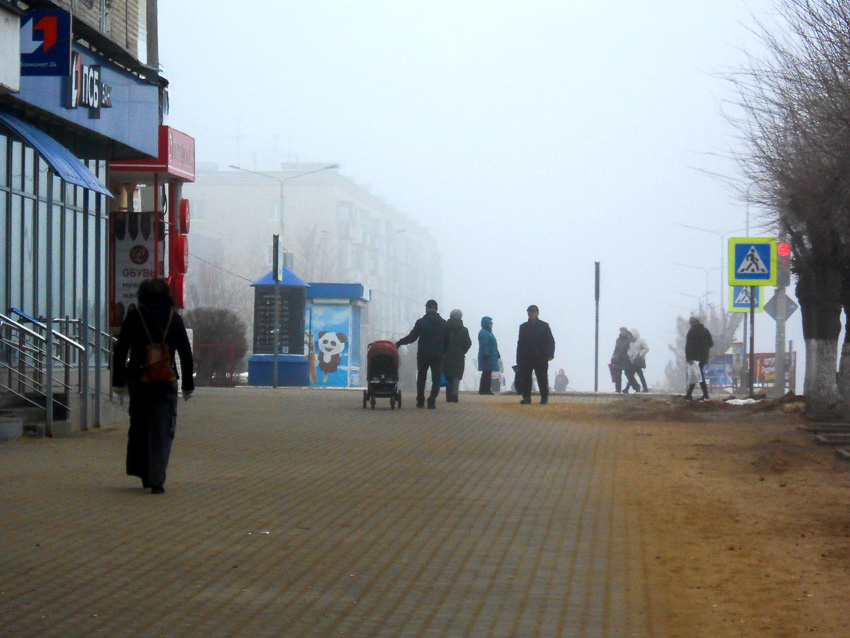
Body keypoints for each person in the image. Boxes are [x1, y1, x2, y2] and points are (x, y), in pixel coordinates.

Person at [112, 278, 194, 494]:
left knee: (139, 426)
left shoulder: (134, 318)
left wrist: (118, 381)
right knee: (162, 429)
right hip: (166, 381)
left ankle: (143, 473)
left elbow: (120, 350)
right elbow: (186, 353)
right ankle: (157, 480)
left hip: (138, 380)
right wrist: (187, 385)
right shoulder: (173, 319)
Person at [396, 299, 449, 408]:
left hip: (423, 355)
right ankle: (431, 401)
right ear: (436, 309)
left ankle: (420, 401)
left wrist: (399, 343)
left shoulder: (421, 322)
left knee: (421, 378)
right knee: (436, 379)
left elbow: (412, 337)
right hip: (437, 356)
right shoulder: (444, 324)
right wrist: (444, 353)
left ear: (427, 308)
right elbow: (447, 341)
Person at [516, 304, 556, 405]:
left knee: (542, 378)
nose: (531, 314)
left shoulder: (544, 326)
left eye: (533, 312)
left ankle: (544, 397)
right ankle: (527, 398)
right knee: (526, 379)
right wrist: (518, 359)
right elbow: (520, 343)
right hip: (526, 357)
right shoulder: (523, 327)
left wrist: (550, 354)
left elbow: (550, 341)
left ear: (537, 313)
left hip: (541, 357)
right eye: (529, 312)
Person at [444, 309, 472, 402]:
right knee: (456, 376)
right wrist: (462, 351)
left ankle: (448, 396)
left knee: (448, 375)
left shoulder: (445, 328)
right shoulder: (464, 330)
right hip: (458, 357)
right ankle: (454, 395)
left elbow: (440, 341)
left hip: (446, 356)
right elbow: (468, 343)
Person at [685, 316, 714, 401]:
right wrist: (704, 348)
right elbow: (711, 344)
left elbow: (689, 347)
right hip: (703, 357)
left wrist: (688, 358)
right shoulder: (705, 330)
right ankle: (689, 394)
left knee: (698, 375)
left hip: (694, 357)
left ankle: (705, 395)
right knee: (697, 375)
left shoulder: (691, 332)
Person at [477, 316, 500, 395]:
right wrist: (486, 354)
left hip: (490, 356)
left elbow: (493, 345)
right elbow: (484, 345)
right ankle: (484, 390)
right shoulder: (484, 333)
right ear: (486, 323)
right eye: (490, 323)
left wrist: (497, 354)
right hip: (487, 357)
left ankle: (485, 389)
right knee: (486, 374)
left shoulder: (488, 332)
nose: (491, 324)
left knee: (487, 373)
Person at [624, 328, 650, 393]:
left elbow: (646, 348)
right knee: (635, 375)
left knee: (634, 375)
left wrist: (640, 354)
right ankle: (645, 388)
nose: (629, 336)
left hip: (638, 361)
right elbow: (629, 351)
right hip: (633, 361)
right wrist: (629, 355)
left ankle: (627, 388)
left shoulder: (640, 341)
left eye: (630, 334)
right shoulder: (630, 343)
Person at [610, 327, 631, 393]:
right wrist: (613, 358)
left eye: (623, 331)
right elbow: (616, 349)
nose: (622, 332)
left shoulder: (629, 340)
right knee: (617, 375)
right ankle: (618, 390)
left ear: (626, 331)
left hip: (626, 359)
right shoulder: (618, 340)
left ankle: (635, 387)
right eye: (621, 331)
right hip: (618, 359)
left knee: (629, 375)